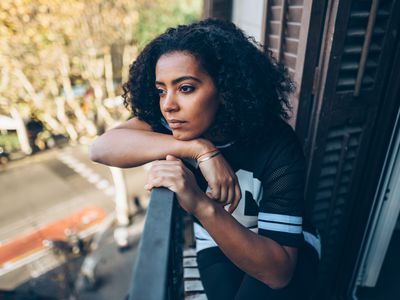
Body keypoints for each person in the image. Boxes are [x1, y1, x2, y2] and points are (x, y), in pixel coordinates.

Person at [90, 18, 321, 299]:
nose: (168, 105)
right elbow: (101, 148)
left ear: (225, 88)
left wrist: (201, 205)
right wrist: (199, 149)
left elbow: (278, 272)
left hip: (279, 242)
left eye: (185, 88)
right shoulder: (176, 126)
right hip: (214, 237)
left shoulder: (276, 142)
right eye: (161, 90)